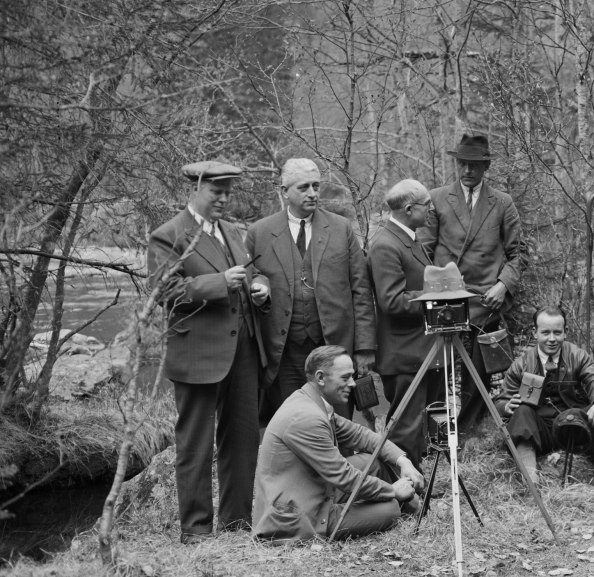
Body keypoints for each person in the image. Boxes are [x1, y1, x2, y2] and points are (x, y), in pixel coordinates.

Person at [147, 161, 270, 543]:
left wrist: (260, 287)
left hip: (243, 351)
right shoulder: (168, 236)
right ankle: (196, 529)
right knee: (195, 445)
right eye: (216, 192)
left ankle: (236, 523)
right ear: (196, 188)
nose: (223, 199)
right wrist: (219, 282)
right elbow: (164, 293)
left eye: (228, 192)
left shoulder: (234, 232)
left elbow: (253, 273)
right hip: (198, 356)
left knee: (243, 441)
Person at [246, 158, 377, 426]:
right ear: (284, 191)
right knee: (291, 425)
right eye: (304, 187)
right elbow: (250, 287)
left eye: (316, 186)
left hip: (333, 348)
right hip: (284, 352)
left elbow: (361, 290)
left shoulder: (341, 229)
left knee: (338, 426)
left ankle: (342, 467)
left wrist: (364, 347)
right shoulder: (259, 233)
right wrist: (257, 293)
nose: (313, 193)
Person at [252, 346, 425, 542]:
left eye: (352, 376)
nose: (352, 383)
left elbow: (362, 435)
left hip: (314, 491)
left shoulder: (311, 402)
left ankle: (410, 502)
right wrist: (392, 491)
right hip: (296, 517)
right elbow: (343, 476)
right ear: (320, 377)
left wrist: (403, 462)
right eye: (345, 378)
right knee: (390, 509)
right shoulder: (305, 418)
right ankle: (407, 504)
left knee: (372, 462)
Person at [420, 134, 526, 433]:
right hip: (446, 298)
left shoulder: (502, 202)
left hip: (486, 300)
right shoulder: (437, 198)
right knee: (438, 366)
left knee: (479, 368)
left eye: (475, 165)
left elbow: (518, 253)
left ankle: (468, 429)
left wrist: (503, 284)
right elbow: (423, 251)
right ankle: (436, 432)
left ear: (486, 166)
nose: (467, 170)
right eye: (462, 164)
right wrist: (433, 287)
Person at [495, 307, 594, 483]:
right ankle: (531, 477)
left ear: (565, 332)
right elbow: (501, 400)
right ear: (535, 332)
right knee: (522, 411)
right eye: (546, 332)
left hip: (575, 424)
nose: (552, 339)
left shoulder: (577, 355)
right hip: (539, 430)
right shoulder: (521, 364)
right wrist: (507, 406)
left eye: (557, 332)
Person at [368, 179, 442, 465]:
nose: (431, 209)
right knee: (405, 430)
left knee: (422, 426)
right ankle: (402, 496)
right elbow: (391, 300)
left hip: (422, 350)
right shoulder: (386, 245)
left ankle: (417, 490)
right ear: (409, 209)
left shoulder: (410, 238)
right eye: (427, 205)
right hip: (405, 355)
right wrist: (436, 295)